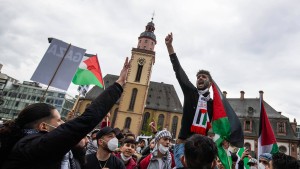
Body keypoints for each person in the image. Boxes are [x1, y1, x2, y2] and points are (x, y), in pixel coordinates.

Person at [0, 57, 129, 169]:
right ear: (43, 126)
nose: (63, 123)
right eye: (59, 120)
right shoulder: (31, 147)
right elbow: (85, 120)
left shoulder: (67, 153)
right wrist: (118, 85)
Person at [165, 32, 214, 168]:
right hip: (184, 144)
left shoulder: (213, 104)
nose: (200, 78)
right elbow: (179, 71)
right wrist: (170, 47)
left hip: (202, 147)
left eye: (204, 77)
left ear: (210, 84)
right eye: (198, 76)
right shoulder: (190, 92)